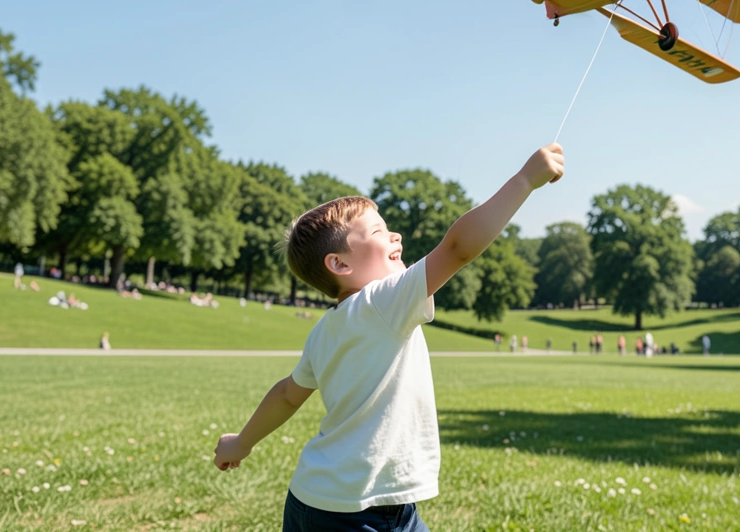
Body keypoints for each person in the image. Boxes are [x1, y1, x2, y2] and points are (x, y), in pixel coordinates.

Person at [214, 143, 564, 530]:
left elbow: (287, 394)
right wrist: (524, 180)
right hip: (360, 513)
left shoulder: (325, 328)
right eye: (379, 231)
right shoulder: (383, 302)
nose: (395, 235)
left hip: (313, 500)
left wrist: (241, 442)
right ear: (339, 263)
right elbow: (458, 248)